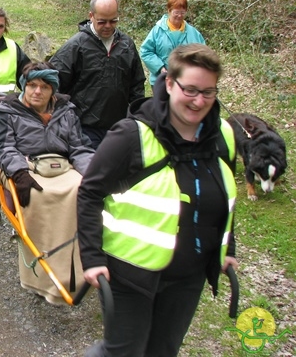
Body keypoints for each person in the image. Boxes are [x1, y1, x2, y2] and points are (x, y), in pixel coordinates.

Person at [77, 44, 238, 357]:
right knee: (123, 351)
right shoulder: (132, 135)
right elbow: (90, 192)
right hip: (130, 272)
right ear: (168, 83)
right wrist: (92, 258)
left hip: (188, 277)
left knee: (164, 351)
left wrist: (227, 249)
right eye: (190, 89)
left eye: (208, 91)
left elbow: (225, 198)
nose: (199, 100)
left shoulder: (224, 137)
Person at [0, 61, 95, 305]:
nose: (37, 91)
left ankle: (74, 269)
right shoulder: (8, 111)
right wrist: (19, 173)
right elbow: (3, 146)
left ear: (53, 91)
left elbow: (79, 147)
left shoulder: (66, 111)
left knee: (83, 192)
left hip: (62, 166)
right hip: (25, 166)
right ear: (24, 86)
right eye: (32, 86)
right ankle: (38, 274)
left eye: (44, 87)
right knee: (37, 197)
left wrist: (92, 176)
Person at [50, 0, 146, 149]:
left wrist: (137, 118)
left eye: (113, 21)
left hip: (119, 126)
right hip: (84, 127)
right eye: (102, 21)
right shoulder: (76, 46)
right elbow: (54, 83)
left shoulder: (126, 45)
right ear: (91, 16)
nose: (108, 26)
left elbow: (137, 86)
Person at [140, 0, 206, 89]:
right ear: (169, 11)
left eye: (182, 13)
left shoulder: (193, 33)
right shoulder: (157, 31)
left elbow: (203, 54)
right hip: (161, 81)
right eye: (176, 12)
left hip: (186, 82)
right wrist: (160, 68)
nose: (179, 16)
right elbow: (146, 51)